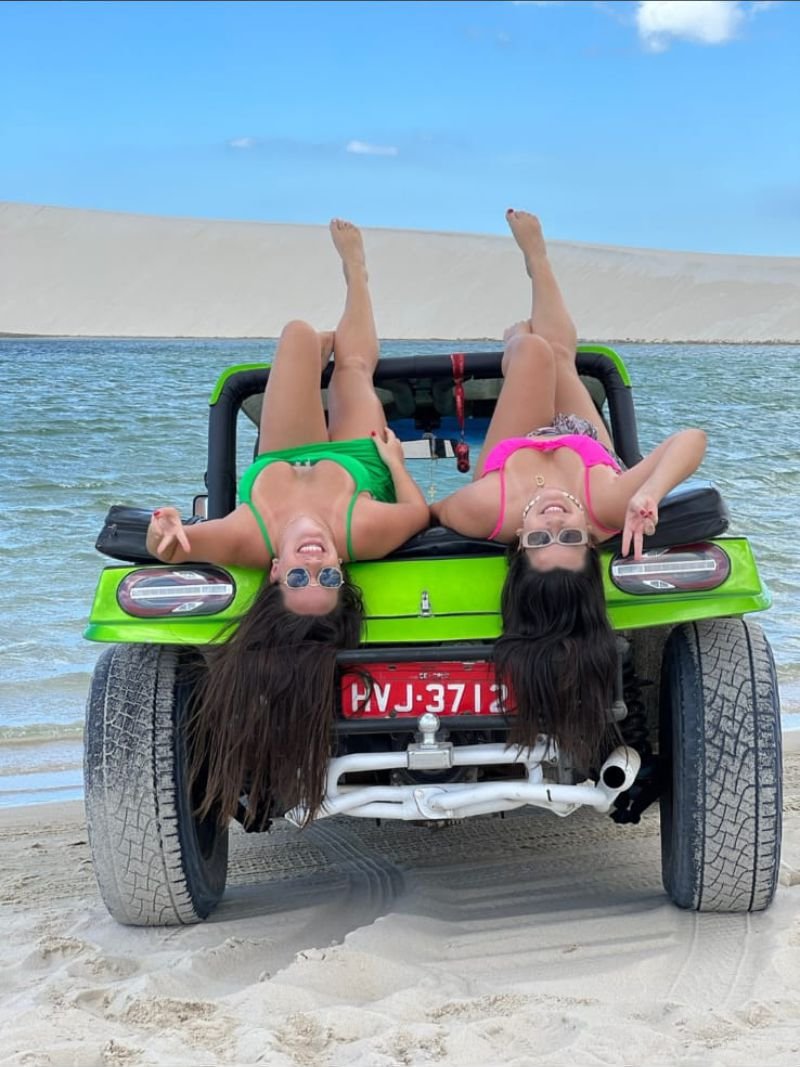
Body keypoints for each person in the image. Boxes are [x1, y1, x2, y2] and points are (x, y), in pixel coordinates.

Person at [146, 219, 430, 827]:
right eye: (328, 579)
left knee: (299, 335)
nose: (314, 564)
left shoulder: (251, 537)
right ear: (340, 568)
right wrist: (395, 465)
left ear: (275, 571)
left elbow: (175, 548)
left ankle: (324, 341)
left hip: (281, 456)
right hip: (357, 462)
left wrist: (162, 528)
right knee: (352, 369)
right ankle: (358, 273)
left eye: (299, 578)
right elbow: (417, 513)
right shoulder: (357, 533)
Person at [432, 209, 707, 769]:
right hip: (585, 445)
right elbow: (691, 439)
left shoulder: (487, 509)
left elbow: (428, 512)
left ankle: (515, 338)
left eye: (541, 539)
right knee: (557, 354)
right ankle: (539, 260)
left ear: (518, 542)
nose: (555, 520)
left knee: (532, 351)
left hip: (513, 455)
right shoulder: (606, 508)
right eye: (570, 537)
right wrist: (649, 491)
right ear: (591, 540)